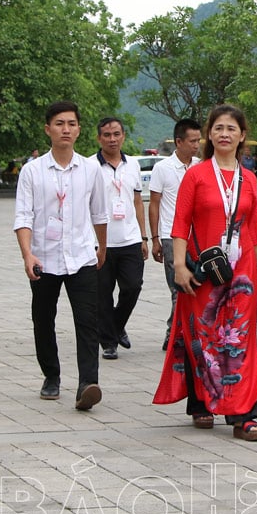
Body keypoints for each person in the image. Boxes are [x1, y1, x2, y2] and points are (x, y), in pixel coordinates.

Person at [155, 104, 257, 440]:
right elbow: (179, 223)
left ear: (242, 135)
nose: (225, 134)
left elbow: (254, 226)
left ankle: (243, 414)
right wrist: (178, 268)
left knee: (240, 341)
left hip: (242, 272)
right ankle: (202, 402)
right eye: (218, 128)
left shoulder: (249, 178)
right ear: (209, 135)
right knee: (203, 336)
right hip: (204, 269)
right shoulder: (197, 174)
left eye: (231, 128)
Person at [14, 101, 108, 411]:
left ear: (79, 130)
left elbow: (99, 213)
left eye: (71, 123)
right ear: (48, 129)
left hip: (81, 256)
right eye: (59, 123)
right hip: (44, 258)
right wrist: (28, 254)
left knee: (87, 320)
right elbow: (23, 217)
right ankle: (51, 375)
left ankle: (87, 384)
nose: (65, 129)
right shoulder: (32, 171)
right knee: (43, 319)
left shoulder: (91, 168)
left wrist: (102, 247)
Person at [94, 117, 149, 360]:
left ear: (123, 136)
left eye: (116, 134)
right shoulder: (89, 166)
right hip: (100, 241)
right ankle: (109, 343)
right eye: (107, 135)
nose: (112, 139)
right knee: (102, 294)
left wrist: (144, 236)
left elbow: (137, 201)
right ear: (99, 138)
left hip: (130, 239)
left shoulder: (133, 165)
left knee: (132, 286)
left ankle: (116, 325)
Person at [148, 118, 202, 351]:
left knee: (196, 286)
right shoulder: (163, 168)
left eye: (198, 140)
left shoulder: (201, 166)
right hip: (171, 235)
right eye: (192, 141)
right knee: (177, 287)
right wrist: (155, 238)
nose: (196, 145)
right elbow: (154, 203)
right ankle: (175, 334)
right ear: (178, 142)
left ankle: (186, 331)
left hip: (197, 237)